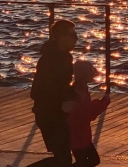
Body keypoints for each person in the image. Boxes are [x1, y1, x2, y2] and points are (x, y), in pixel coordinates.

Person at [31, 19, 78, 167]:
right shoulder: (52, 59)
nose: (76, 39)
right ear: (61, 38)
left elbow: (61, 86)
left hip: (56, 112)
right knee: (63, 159)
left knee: (63, 158)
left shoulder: (64, 57)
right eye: (72, 35)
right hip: (49, 114)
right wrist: (67, 97)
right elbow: (39, 90)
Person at [66, 60, 111, 167]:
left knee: (88, 161)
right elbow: (88, 113)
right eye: (90, 71)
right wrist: (104, 101)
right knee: (89, 161)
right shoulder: (79, 91)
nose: (93, 73)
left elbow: (86, 109)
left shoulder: (80, 89)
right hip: (78, 135)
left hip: (80, 134)